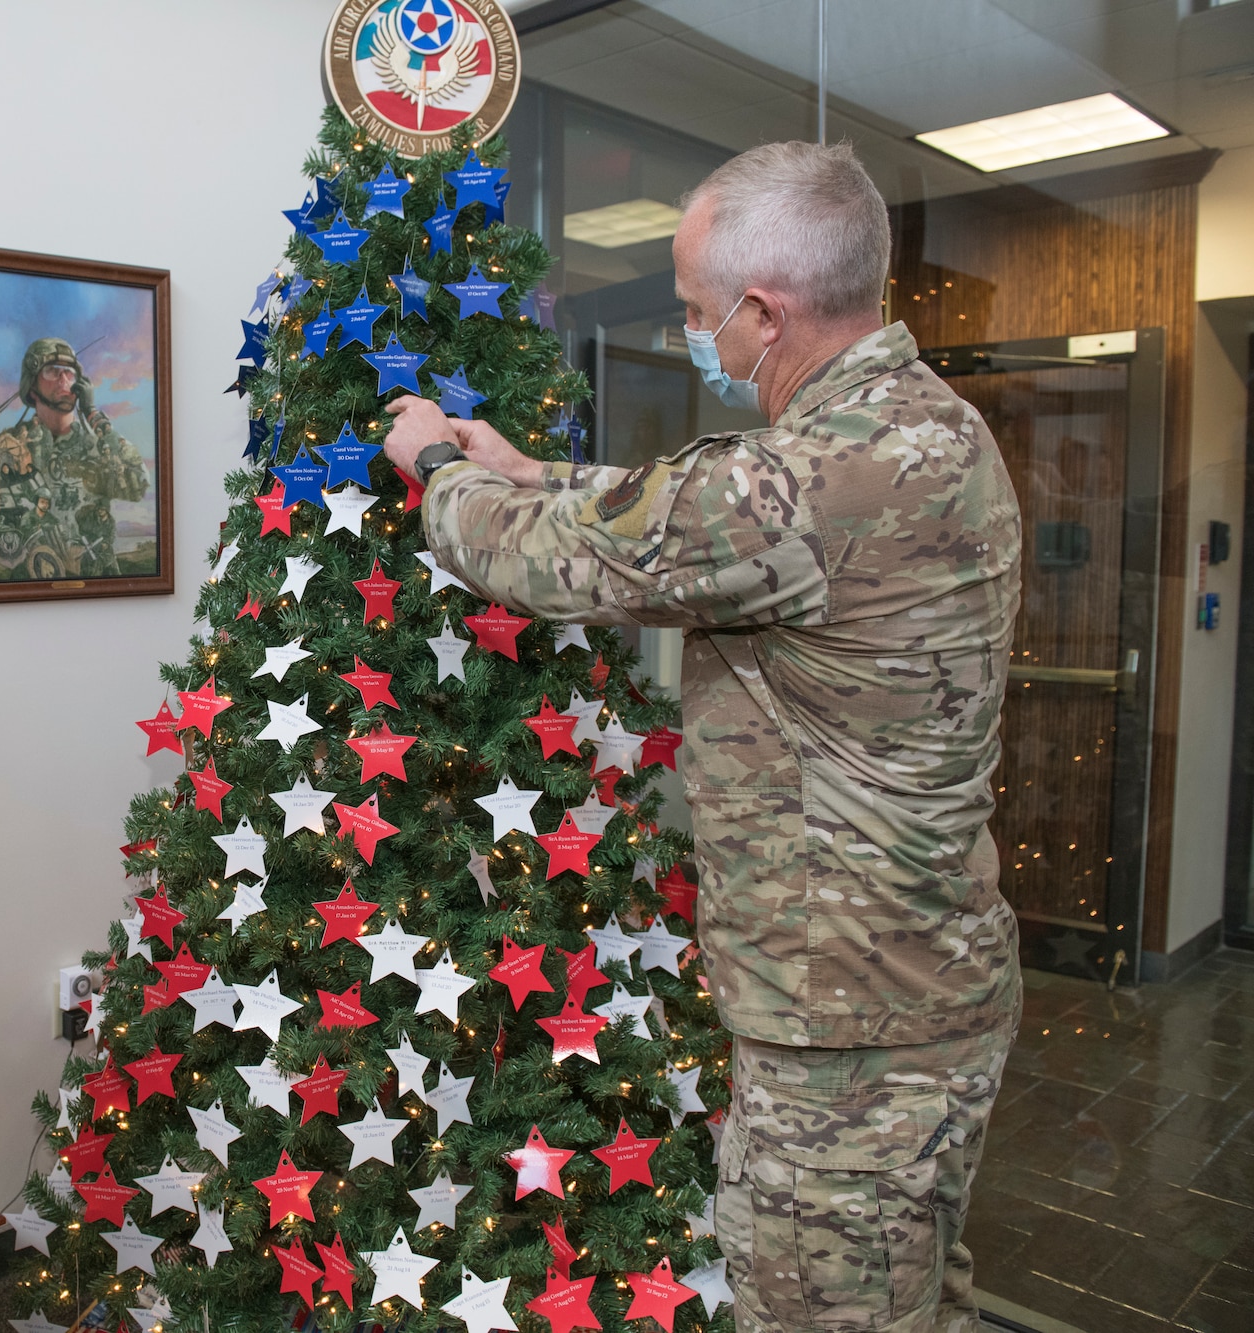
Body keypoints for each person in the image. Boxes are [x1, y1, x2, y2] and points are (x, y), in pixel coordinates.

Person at [384, 141, 1023, 1333]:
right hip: (919, 992)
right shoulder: (923, 432)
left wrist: (430, 462)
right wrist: (536, 465)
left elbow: (559, 557)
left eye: (693, 313)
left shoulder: (807, 480)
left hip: (844, 1032)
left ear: (764, 314)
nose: (693, 334)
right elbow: (687, 512)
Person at [0, 338, 150, 579]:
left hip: (101, 589)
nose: (64, 380)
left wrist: (93, 415)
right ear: (32, 386)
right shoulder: (9, 448)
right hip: (31, 591)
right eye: (52, 372)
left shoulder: (97, 446)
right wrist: (33, 547)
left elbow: (138, 484)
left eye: (69, 373)